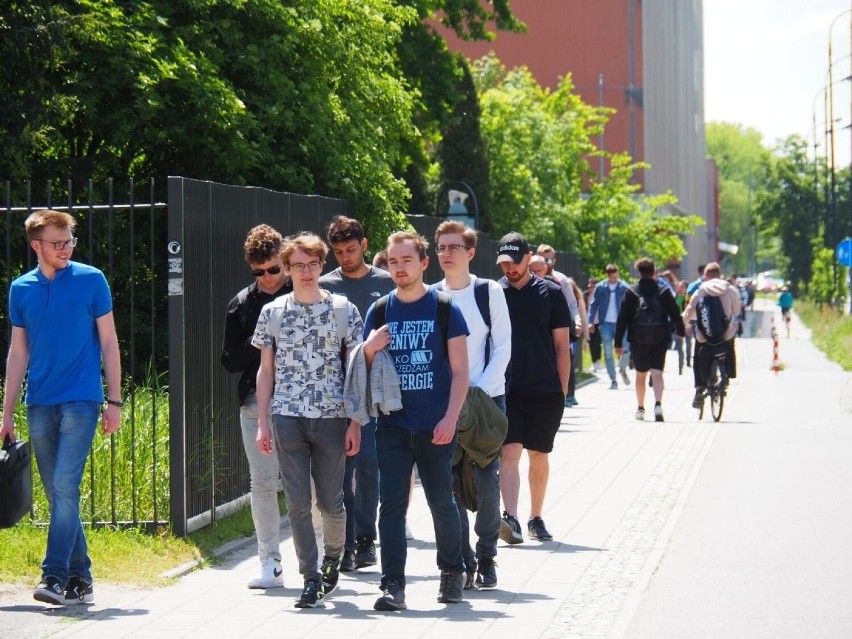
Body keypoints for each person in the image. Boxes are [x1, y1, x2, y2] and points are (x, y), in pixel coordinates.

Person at [1, 209, 122, 606]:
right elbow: (18, 353)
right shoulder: (21, 288)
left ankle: (53, 577)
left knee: (65, 486)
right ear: (37, 245)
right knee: (57, 493)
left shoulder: (91, 280)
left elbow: (109, 343)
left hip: (82, 400)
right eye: (58, 242)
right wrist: (6, 414)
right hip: (39, 402)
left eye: (70, 240)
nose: (66, 248)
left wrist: (114, 400)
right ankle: (81, 577)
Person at [253, 232, 363, 609]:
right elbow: (265, 371)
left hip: (333, 416)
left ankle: (333, 556)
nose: (305, 271)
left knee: (331, 503)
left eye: (312, 264)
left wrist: (355, 422)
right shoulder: (273, 312)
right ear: (286, 268)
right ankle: (310, 576)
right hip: (287, 416)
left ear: (322, 265)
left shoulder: (344, 310)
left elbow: (355, 370)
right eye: (297, 265)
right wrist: (263, 422)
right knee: (298, 503)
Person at [362, 231, 469, 611]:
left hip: (435, 425)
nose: (400, 267)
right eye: (393, 261)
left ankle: (451, 573)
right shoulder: (378, 312)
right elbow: (361, 370)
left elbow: (460, 372)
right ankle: (393, 585)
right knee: (391, 505)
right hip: (392, 424)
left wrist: (450, 419)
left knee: (442, 501)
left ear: (424, 263)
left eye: (407, 260)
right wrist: (369, 349)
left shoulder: (444, 308)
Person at [432, 220, 512, 590]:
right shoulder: (431, 295)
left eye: (454, 248)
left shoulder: (488, 290)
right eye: (441, 248)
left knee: (485, 481)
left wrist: (477, 392)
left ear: (470, 253)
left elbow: (502, 347)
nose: (446, 254)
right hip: (444, 404)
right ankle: (462, 559)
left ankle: (486, 556)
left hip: (484, 399)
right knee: (450, 486)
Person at [319, 216, 394, 573]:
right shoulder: (324, 286)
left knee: (367, 467)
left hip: (374, 390)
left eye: (351, 250)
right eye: (338, 252)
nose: (345, 257)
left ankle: (366, 539)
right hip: (334, 389)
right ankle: (344, 543)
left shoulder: (385, 282)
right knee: (338, 470)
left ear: (364, 245)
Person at [221, 225, 292, 589]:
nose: (267, 278)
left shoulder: (306, 294)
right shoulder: (242, 303)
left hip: (302, 401)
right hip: (255, 401)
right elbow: (228, 360)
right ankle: (270, 561)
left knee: (309, 485)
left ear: (286, 262)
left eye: (274, 270)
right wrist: (262, 338)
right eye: (259, 272)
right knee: (262, 484)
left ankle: (324, 556)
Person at [496, 232, 571, 544]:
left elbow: (562, 345)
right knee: (509, 450)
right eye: (504, 264)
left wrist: (562, 391)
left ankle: (535, 517)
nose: (510, 269)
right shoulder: (493, 294)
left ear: (527, 259)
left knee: (539, 453)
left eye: (515, 262)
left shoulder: (551, 293)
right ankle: (510, 517)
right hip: (508, 387)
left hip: (544, 388)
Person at [614, 258, 685, 422]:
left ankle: (640, 408)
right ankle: (658, 405)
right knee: (657, 373)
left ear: (639, 272)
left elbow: (622, 318)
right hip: (660, 338)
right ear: (654, 272)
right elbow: (674, 313)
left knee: (640, 374)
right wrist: (680, 331)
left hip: (638, 338)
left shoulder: (632, 292)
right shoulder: (663, 291)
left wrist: (618, 342)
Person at [682, 262, 741, 409]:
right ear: (719, 275)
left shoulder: (701, 290)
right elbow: (737, 311)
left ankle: (699, 390)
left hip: (705, 336)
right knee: (730, 344)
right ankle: (727, 375)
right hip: (725, 335)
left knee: (698, 357)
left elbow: (689, 312)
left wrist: (681, 323)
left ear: (705, 276)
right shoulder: (730, 289)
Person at [587, 264, 631, 389]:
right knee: (607, 352)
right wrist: (591, 321)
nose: (613, 276)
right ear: (607, 274)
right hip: (605, 324)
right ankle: (613, 380)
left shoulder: (624, 287)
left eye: (615, 273)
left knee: (626, 349)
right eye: (610, 274)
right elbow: (594, 305)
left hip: (621, 324)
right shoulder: (601, 287)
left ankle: (622, 369)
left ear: (617, 273)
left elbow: (631, 305)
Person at [586, 277, 603, 372]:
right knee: (592, 343)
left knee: (598, 342)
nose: (590, 288)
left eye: (592, 286)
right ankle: (594, 362)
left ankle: (598, 361)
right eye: (589, 286)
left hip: (598, 322)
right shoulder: (586, 296)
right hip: (589, 323)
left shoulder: (600, 296)